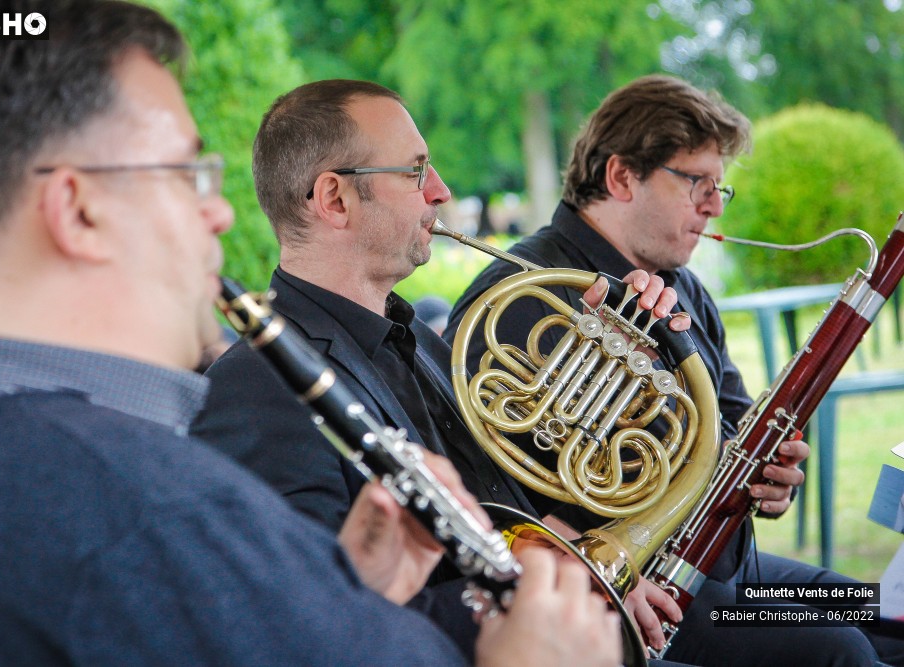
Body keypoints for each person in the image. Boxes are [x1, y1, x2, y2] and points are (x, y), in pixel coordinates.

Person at [0, 1, 624, 665]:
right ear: (78, 210)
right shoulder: (164, 510)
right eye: (188, 172)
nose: (220, 213)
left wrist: (342, 593)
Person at [193, 78, 691, 665]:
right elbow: (308, 624)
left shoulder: (422, 341)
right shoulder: (258, 387)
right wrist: (552, 588)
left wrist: (613, 379)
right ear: (335, 198)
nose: (441, 191)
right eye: (415, 171)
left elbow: (506, 509)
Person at [444, 74, 904, 667]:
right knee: (838, 652)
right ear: (621, 177)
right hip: (635, 591)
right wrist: (589, 562)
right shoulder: (523, 292)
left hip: (723, 568)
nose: (714, 204)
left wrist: (770, 477)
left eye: (720, 187)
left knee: (886, 613)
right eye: (697, 183)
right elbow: (472, 486)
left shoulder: (682, 288)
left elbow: (734, 427)